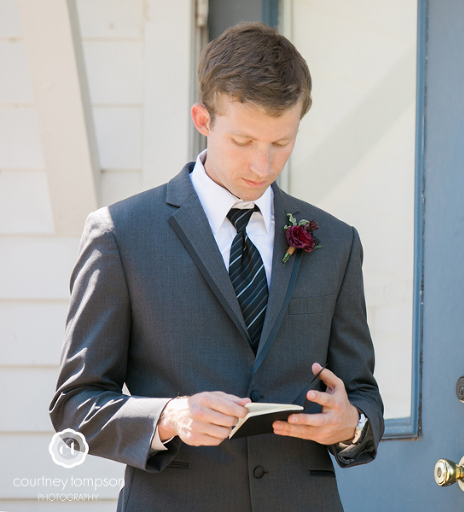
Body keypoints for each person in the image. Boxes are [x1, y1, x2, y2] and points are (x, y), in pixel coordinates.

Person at [50, 23, 383, 512]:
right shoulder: (120, 234)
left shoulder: (336, 242)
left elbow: (362, 394)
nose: (263, 165)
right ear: (202, 118)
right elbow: (75, 407)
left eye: (281, 143)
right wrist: (169, 416)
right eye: (244, 141)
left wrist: (350, 425)